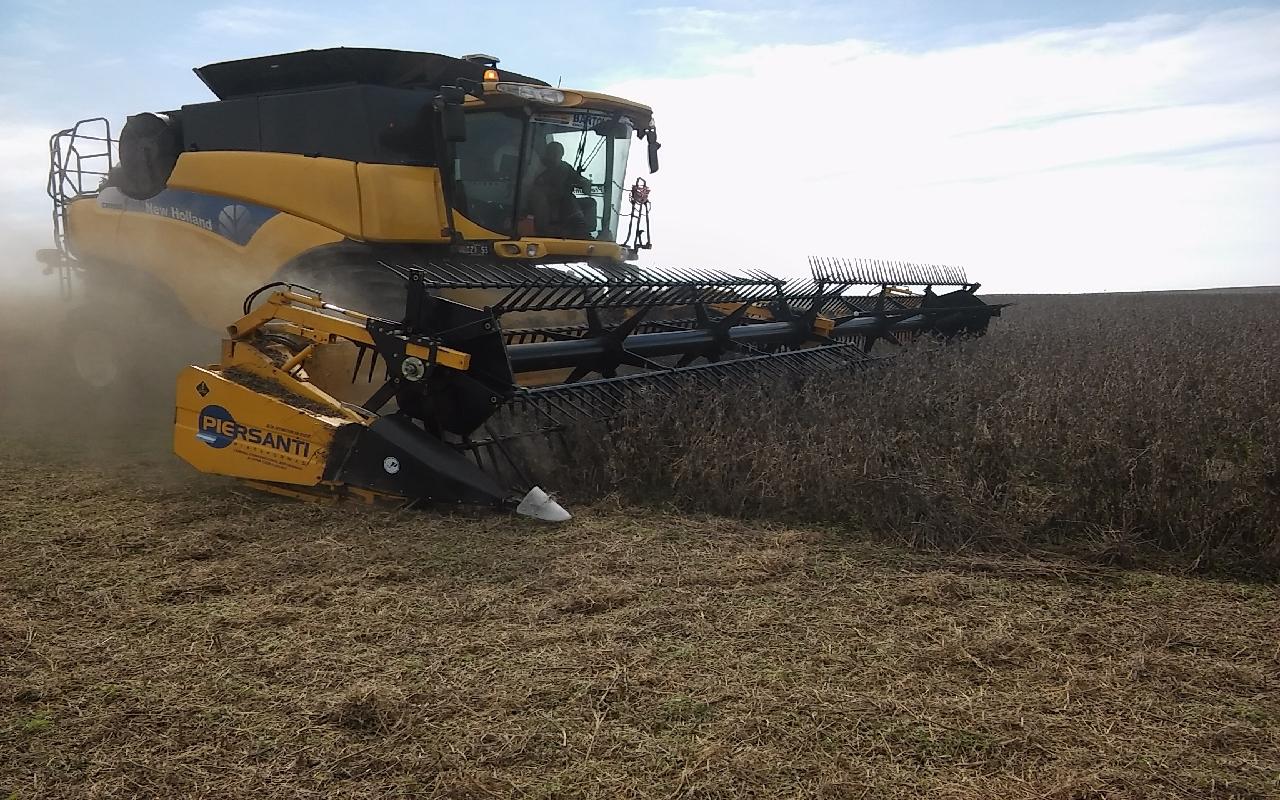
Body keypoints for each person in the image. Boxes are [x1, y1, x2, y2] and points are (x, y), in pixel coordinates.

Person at [530, 141, 594, 237]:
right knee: (568, 199)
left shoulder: (565, 167)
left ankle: (588, 229)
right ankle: (580, 229)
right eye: (552, 152)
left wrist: (585, 182)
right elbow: (534, 184)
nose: (555, 155)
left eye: (558, 153)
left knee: (590, 202)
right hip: (544, 201)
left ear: (562, 154)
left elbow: (577, 177)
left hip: (563, 200)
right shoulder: (539, 166)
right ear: (547, 154)